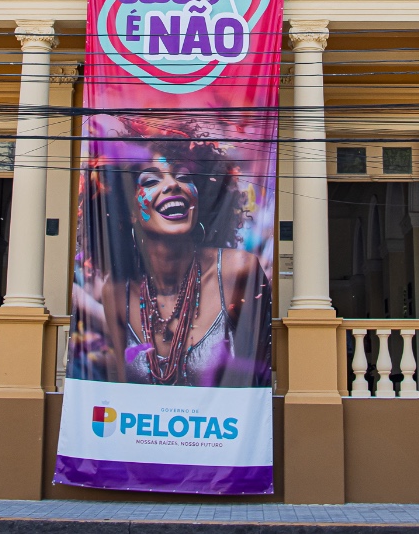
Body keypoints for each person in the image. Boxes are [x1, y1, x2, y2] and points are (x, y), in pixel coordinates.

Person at [74, 128, 271, 388]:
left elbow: (260, 378)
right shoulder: (117, 291)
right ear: (129, 211)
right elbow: (119, 388)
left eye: (183, 176)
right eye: (150, 181)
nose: (172, 185)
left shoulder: (238, 271)